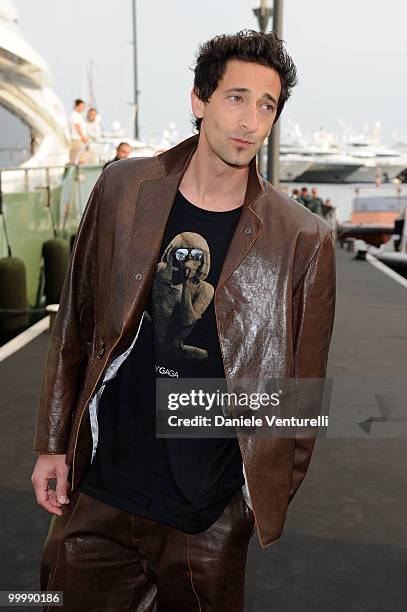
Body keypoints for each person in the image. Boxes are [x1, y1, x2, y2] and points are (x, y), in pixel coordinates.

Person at [32, 30, 335, 611]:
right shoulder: (123, 189)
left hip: (210, 516)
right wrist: (52, 445)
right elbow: (75, 321)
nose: (250, 120)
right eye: (235, 98)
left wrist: (251, 502)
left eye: (266, 106)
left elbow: (302, 396)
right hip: (102, 491)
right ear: (199, 101)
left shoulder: (303, 238)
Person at [69, 99, 89, 164]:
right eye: (81, 106)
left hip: (80, 140)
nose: (82, 108)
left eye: (83, 107)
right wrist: (84, 138)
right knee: (79, 160)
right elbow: (78, 128)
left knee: (81, 159)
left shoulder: (78, 116)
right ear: (76, 106)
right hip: (77, 140)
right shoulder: (74, 115)